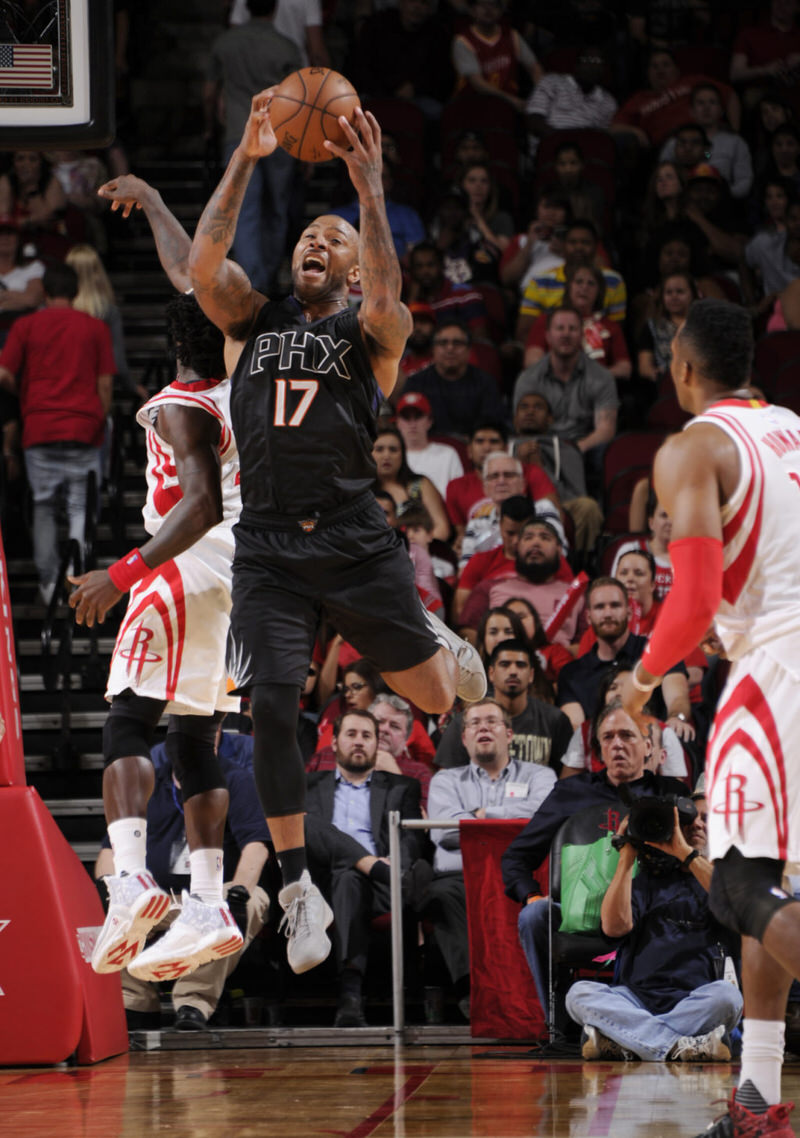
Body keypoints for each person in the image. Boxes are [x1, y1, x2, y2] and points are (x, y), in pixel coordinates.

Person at [188, 94, 486, 979]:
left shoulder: (370, 332)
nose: (315, 243)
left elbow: (393, 292)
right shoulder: (252, 321)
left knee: (435, 703)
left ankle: (437, 638)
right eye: (308, 234)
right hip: (272, 548)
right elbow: (207, 261)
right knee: (272, 707)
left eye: (335, 238)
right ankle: (295, 888)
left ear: (355, 271)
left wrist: (369, 185)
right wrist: (245, 157)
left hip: (357, 540)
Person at [618, 298, 800, 1136]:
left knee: (736, 884)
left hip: (774, 670)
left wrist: (641, 678)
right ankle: (758, 1095)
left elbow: (691, 601)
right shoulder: (794, 430)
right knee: (773, 885)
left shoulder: (694, 447)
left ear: (682, 369)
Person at [501, 700, 692, 1020]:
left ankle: (659, 1015)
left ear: (648, 747)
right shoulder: (570, 792)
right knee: (534, 916)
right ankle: (558, 1024)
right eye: (608, 737)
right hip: (581, 913)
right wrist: (533, 895)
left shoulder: (669, 793)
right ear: (599, 749)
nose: (617, 744)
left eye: (627, 736)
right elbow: (516, 857)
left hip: (648, 913)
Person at [94, 730, 270, 1031]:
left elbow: (257, 845)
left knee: (253, 901)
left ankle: (193, 1003)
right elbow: (109, 850)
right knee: (110, 902)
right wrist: (109, 887)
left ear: (215, 743)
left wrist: (239, 892)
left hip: (213, 894)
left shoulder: (236, 779)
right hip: (160, 897)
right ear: (170, 742)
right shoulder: (148, 782)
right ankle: (136, 1004)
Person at [566, 793, 743, 1063]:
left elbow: (735, 908)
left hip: (696, 1000)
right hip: (634, 1000)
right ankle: (682, 1046)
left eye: (706, 819)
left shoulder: (721, 882)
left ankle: (627, 1043)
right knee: (578, 994)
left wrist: (686, 853)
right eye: (687, 820)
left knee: (728, 997)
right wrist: (627, 855)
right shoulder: (646, 881)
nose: (697, 825)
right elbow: (614, 928)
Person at [425, 696, 556, 1015]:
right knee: (440, 894)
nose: (483, 727)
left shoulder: (540, 776)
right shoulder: (445, 780)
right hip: (462, 879)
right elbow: (444, 833)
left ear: (509, 734)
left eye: (492, 721)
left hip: (523, 875)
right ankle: (473, 992)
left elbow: (543, 816)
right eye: (474, 723)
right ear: (465, 737)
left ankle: (538, 1001)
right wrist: (509, 822)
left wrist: (479, 815)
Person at [0, 263, 114, 605]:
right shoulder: (94, 327)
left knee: (44, 506)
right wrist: (99, 416)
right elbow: (105, 384)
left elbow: (3, 372)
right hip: (83, 426)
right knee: (80, 506)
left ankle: (49, 585)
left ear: (45, 292)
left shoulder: (26, 325)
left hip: (40, 428)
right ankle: (76, 579)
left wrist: (25, 396)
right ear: (76, 292)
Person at [305, 708, 427, 1026]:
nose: (359, 742)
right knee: (309, 827)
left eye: (367, 736)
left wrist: (396, 861)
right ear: (333, 742)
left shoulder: (402, 788)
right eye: (351, 734)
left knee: (349, 880)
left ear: (377, 745)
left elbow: (409, 843)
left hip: (381, 885)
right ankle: (350, 991)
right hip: (320, 885)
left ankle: (350, 994)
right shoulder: (307, 786)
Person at [203, 0, 301, 295]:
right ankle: (266, 277)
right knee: (276, 208)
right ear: (274, 9)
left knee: (244, 211)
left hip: (238, 133)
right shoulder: (286, 45)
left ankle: (253, 283)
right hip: (280, 134)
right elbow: (300, 100)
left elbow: (209, 93)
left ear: (245, 7)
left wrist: (210, 127)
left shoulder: (225, 43)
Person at [557, 577, 693, 736]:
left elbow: (678, 698)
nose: (608, 613)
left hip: (658, 745)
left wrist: (677, 718)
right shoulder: (572, 674)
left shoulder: (659, 651)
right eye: (600, 607)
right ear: (588, 617)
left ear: (629, 612)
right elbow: (576, 727)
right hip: (599, 752)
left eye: (615, 605)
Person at [435, 640, 571, 771]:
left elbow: (564, 782)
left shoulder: (555, 720)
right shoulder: (466, 722)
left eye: (521, 665)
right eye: (505, 664)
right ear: (491, 673)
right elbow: (447, 780)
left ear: (531, 675)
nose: (513, 671)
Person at [512, 306, 619, 464]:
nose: (566, 334)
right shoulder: (529, 378)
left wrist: (574, 450)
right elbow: (522, 428)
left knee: (607, 452)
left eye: (572, 329)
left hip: (584, 447)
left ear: (582, 335)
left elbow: (605, 430)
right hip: (541, 447)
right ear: (548, 336)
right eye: (560, 328)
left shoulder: (602, 377)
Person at [459, 517, 580, 647]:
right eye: (528, 538)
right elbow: (468, 631)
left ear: (559, 549)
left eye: (545, 538)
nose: (536, 543)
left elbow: (587, 642)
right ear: (517, 548)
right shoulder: (489, 587)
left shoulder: (577, 593)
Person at [516, 220, 627, 341]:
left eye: (585, 242)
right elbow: (525, 333)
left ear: (595, 247)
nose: (579, 247)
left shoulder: (613, 281)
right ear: (563, 246)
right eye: (572, 242)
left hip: (596, 347)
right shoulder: (540, 281)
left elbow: (616, 333)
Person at [400, 320, 507, 438]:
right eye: (443, 343)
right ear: (433, 349)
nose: (450, 348)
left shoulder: (485, 383)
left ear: (469, 350)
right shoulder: (416, 383)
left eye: (457, 343)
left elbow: (492, 427)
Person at [523, 263, 632, 378]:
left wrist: (592, 376)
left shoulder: (609, 326)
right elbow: (531, 361)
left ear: (599, 292)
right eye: (579, 282)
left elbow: (625, 368)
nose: (584, 287)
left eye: (591, 283)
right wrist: (563, 375)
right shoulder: (547, 320)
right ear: (568, 287)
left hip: (595, 387)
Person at [660, 84, 754, 199]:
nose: (706, 108)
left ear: (721, 110)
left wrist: (723, 196)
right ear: (692, 111)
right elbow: (661, 172)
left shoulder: (735, 142)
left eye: (712, 102)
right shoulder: (675, 141)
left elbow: (744, 180)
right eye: (700, 103)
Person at [451, 0, 540, 113]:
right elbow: (477, 83)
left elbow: (534, 67)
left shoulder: (512, 35)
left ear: (501, 11)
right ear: (472, 10)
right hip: (472, 106)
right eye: (482, 4)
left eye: (494, 4)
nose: (489, 9)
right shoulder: (463, 41)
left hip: (508, 106)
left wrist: (540, 96)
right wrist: (511, 100)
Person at [372, 424, 451, 541]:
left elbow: (442, 529)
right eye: (379, 449)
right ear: (369, 453)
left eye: (393, 450)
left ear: (402, 455)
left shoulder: (420, 484)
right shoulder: (361, 490)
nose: (386, 455)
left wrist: (416, 548)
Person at [525, 46, 617, 139]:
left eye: (597, 61)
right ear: (576, 65)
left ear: (604, 69)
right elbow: (534, 121)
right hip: (550, 145)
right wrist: (564, 141)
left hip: (586, 149)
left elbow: (602, 137)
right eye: (586, 59)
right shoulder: (551, 82)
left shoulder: (608, 101)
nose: (591, 65)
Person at [405, 241, 489, 339]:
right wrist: (412, 300)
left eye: (430, 265)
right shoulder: (412, 298)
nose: (425, 271)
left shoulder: (465, 295)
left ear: (442, 266)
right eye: (419, 266)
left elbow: (480, 338)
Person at [394, 391, 464, 499]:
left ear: (430, 421)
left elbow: (459, 495)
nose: (412, 424)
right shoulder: (393, 455)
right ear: (397, 422)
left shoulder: (448, 454)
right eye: (406, 417)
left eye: (418, 417)